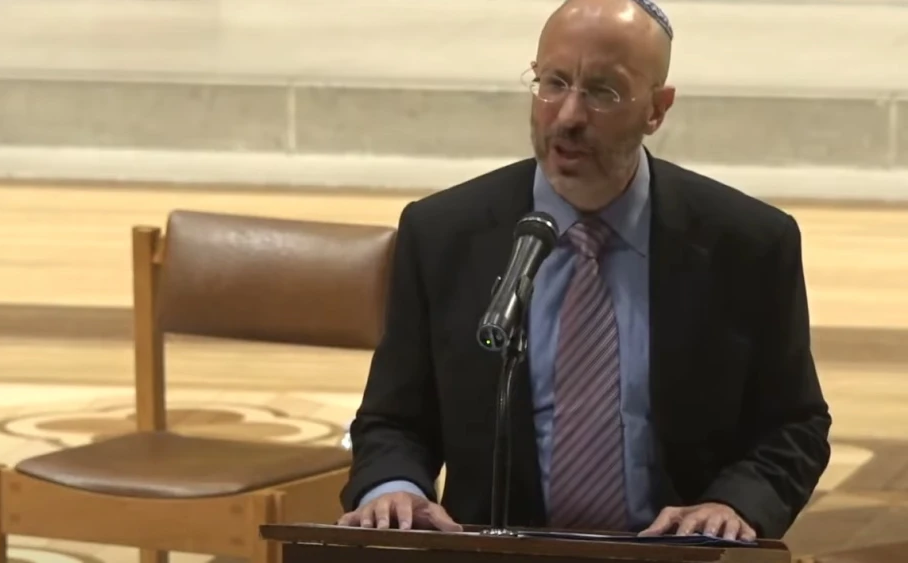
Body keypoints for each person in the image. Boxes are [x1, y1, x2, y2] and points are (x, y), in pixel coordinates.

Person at [336, 0, 831, 542]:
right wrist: (393, 489)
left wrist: (732, 504)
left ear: (657, 109)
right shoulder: (442, 233)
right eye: (553, 83)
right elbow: (393, 420)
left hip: (674, 557)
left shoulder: (748, 244)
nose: (568, 116)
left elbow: (794, 425)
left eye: (602, 92)